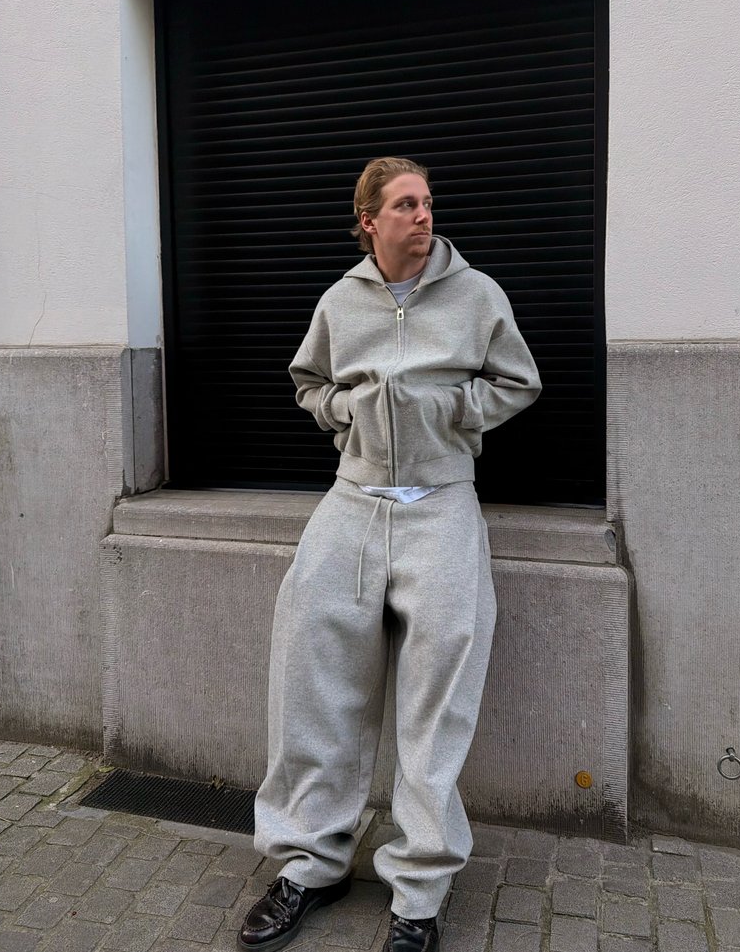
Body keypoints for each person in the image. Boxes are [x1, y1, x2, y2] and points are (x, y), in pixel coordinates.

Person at [238, 156, 541, 952]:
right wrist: (348, 410)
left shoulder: (476, 295)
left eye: (428, 202)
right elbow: (308, 380)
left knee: (438, 696)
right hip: (352, 501)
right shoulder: (341, 301)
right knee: (312, 674)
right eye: (406, 204)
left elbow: (518, 381)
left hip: (442, 505)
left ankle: (420, 887)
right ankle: (310, 861)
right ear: (369, 219)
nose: (423, 215)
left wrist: (446, 409)